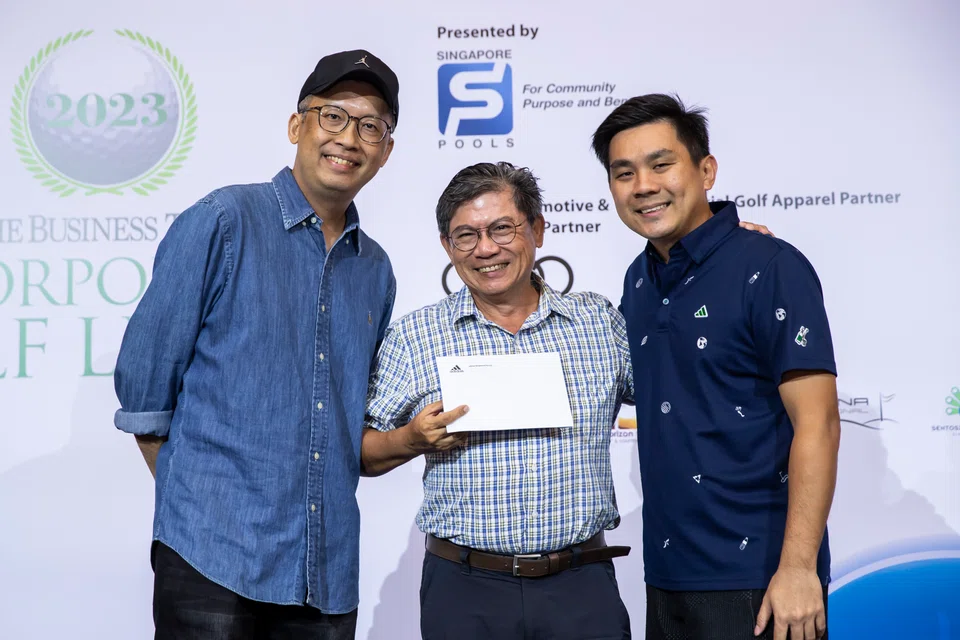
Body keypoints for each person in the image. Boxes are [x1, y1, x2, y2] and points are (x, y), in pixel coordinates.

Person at [113, 49, 399, 639]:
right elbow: (145, 378)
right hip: (211, 557)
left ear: (386, 151)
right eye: (334, 116)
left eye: (371, 126)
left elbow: (353, 416)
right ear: (298, 126)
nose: (350, 138)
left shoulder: (376, 269)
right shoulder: (224, 219)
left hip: (324, 567)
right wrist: (195, 499)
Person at [591, 94, 841, 640]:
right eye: (623, 172)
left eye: (662, 164)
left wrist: (798, 569)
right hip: (666, 575)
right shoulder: (638, 280)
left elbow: (818, 424)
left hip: (762, 579)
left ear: (706, 171)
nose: (644, 186)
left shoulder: (772, 266)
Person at [360, 161, 635, 640]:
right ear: (448, 247)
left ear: (538, 230)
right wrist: (411, 439)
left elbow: (680, 393)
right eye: (465, 235)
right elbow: (360, 452)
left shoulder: (600, 324)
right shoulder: (414, 337)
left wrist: (720, 255)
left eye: (502, 229)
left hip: (581, 587)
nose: (486, 248)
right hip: (464, 592)